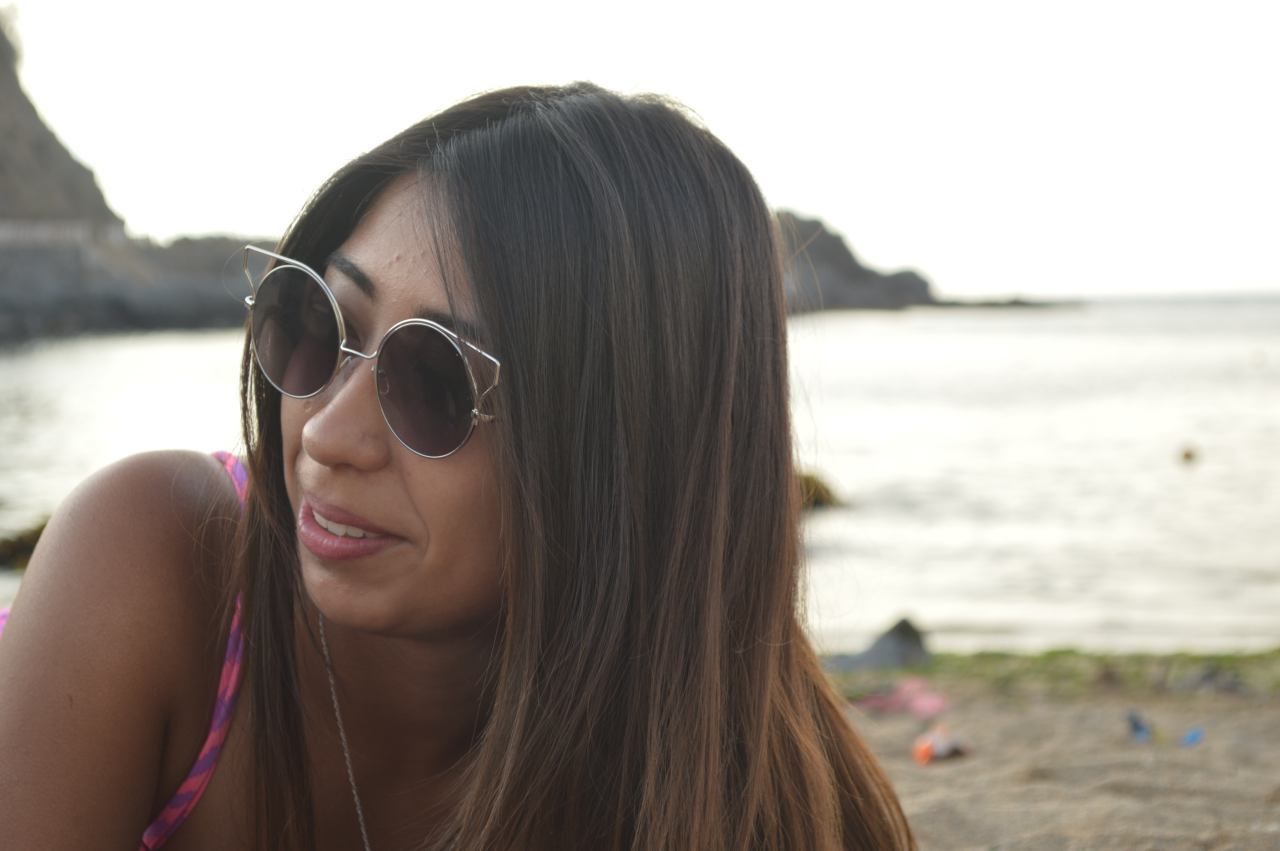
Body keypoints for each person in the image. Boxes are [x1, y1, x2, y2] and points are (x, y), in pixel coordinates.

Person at [0, 83, 915, 850]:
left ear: (619, 454)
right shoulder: (160, 564)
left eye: (433, 380)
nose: (329, 435)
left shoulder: (732, 786)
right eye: (321, 323)